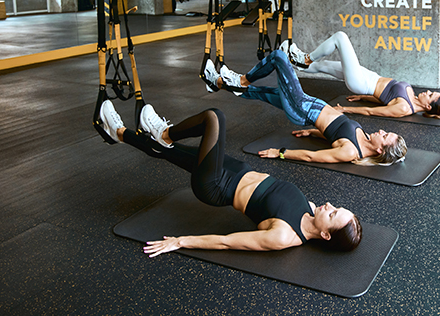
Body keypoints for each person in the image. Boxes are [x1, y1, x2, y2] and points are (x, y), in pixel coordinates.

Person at [98, 100, 362, 254]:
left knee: (214, 118)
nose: (329, 206)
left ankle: (164, 132)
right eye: (336, 207)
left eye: (332, 214)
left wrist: (181, 241)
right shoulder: (312, 210)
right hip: (234, 169)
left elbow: (227, 242)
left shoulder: (283, 236)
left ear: (325, 235)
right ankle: (118, 131)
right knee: (167, 152)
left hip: (215, 185)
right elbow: (306, 208)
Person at [203, 50, 407, 166]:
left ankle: (241, 79)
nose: (382, 131)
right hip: (309, 104)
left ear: (380, 149)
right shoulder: (363, 138)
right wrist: (311, 132)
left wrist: (280, 152)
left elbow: (312, 156)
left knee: (279, 57)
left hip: (301, 107)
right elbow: (333, 134)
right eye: (386, 131)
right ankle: (216, 82)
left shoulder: (351, 152)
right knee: (261, 92)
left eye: (385, 135)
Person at [280, 31, 440, 119]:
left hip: (362, 82)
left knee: (340, 37)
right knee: (323, 66)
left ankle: (305, 58)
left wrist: (344, 109)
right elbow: (384, 99)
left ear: (428, 106)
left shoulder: (405, 108)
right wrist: (363, 97)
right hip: (369, 78)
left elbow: (373, 112)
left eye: (430, 95)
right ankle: (290, 62)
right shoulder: (411, 98)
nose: (426, 92)